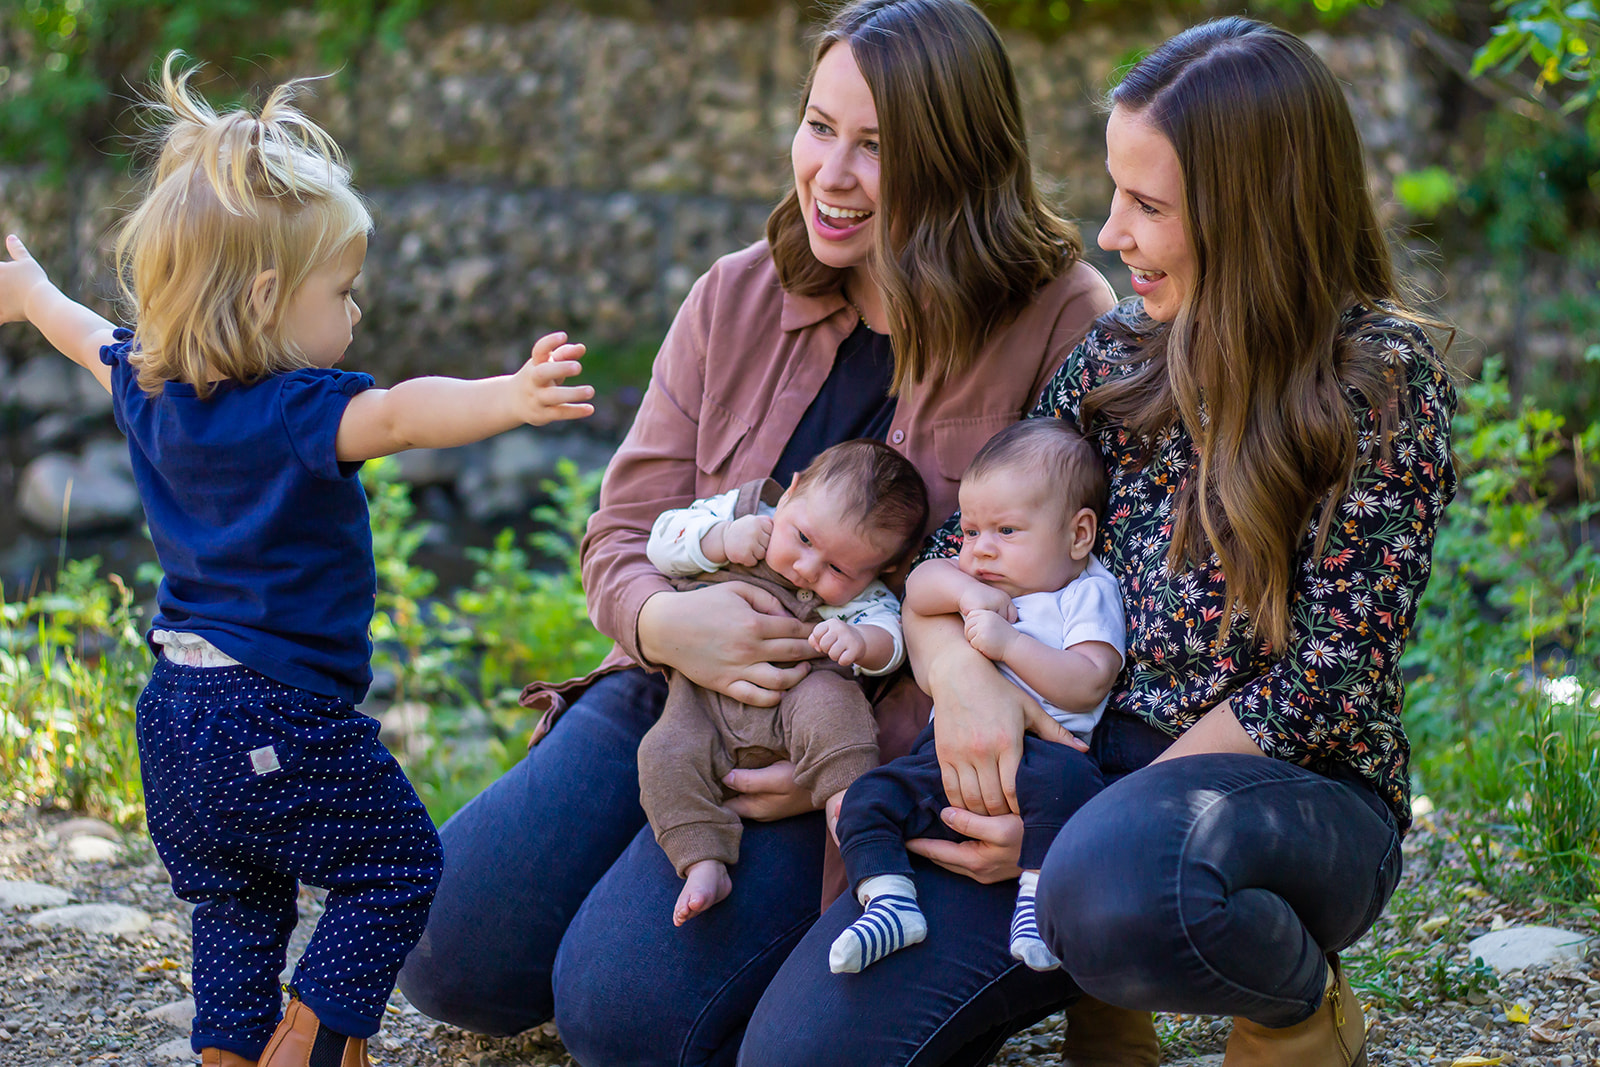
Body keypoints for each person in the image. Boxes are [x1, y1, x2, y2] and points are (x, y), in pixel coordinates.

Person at [395, 0, 1121, 1063]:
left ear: (958, 160)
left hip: (853, 749)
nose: (831, 173)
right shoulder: (736, 294)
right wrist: (666, 626)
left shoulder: (1060, 317)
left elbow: (1090, 584)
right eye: (819, 126)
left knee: (622, 1017)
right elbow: (621, 533)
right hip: (673, 690)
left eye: (877, 147)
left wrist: (868, 744)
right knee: (441, 944)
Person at [741, 15, 1458, 1067]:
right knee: (802, 1054)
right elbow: (953, 556)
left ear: (1253, 213)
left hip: (1285, 796)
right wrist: (966, 680)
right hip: (1073, 769)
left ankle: (1297, 1006)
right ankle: (1096, 958)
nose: (1112, 232)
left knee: (1119, 876)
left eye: (1148, 206)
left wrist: (1069, 821)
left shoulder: (1378, 381)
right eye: (1115, 192)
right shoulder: (1116, 354)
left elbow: (1323, 683)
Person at [0, 55, 593, 1067]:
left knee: (237, 900)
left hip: (174, 714)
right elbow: (403, 414)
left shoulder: (148, 384)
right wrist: (510, 395)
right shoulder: (297, 409)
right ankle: (313, 1040)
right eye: (344, 291)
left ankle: (231, 1052)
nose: (356, 314)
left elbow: (83, 331)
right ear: (270, 295)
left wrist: (31, 290)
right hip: (271, 713)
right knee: (398, 861)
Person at [829, 418, 1122, 974]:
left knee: (1075, 788)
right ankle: (889, 904)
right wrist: (966, 593)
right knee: (864, 799)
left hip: (1040, 757)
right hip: (945, 753)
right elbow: (919, 588)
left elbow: (1088, 681)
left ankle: (1038, 904)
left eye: (1006, 531)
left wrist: (1010, 645)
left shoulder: (1084, 592)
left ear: (1078, 535)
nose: (982, 550)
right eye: (970, 531)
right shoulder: (976, 582)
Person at [640, 439, 928, 926]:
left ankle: (846, 800)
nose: (807, 569)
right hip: (703, 701)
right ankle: (702, 859)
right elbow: (661, 541)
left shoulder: (864, 598)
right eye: (804, 539)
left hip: (800, 702)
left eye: (837, 569)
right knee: (662, 752)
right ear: (790, 493)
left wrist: (861, 641)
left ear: (883, 570)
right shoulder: (743, 513)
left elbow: (895, 641)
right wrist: (719, 540)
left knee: (834, 707)